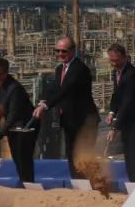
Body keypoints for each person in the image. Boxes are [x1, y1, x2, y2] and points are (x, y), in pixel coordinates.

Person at [33, 36, 99, 178]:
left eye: (64, 51)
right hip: (69, 120)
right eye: (57, 51)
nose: (60, 54)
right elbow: (54, 88)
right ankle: (77, 182)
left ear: (73, 51)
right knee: (70, 153)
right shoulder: (59, 69)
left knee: (83, 154)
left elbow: (65, 90)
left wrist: (46, 105)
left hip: (84, 121)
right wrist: (43, 99)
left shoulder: (79, 69)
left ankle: (93, 182)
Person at [0, 58, 37, 184]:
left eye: (0, 74)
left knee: (23, 158)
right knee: (16, 157)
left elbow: (14, 114)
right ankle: (24, 181)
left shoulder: (15, 89)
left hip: (25, 126)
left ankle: (28, 184)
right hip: (13, 126)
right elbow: (2, 107)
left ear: (7, 72)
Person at [105, 44, 135, 183]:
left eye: (116, 60)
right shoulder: (116, 72)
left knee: (134, 154)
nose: (113, 63)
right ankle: (132, 181)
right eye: (111, 60)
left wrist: (115, 127)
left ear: (124, 57)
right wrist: (112, 111)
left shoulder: (131, 75)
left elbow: (127, 102)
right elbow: (117, 95)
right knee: (128, 154)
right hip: (126, 121)